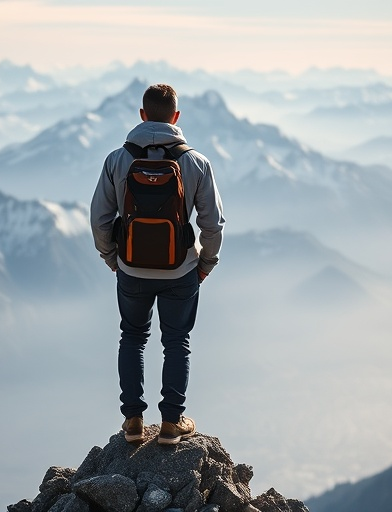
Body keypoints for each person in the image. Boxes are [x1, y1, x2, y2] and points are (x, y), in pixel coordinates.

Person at [90, 84, 225, 445]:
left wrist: (112, 257)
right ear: (176, 117)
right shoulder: (196, 162)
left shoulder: (117, 160)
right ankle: (171, 423)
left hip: (131, 268)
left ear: (142, 115)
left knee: (132, 338)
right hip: (181, 270)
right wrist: (205, 263)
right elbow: (213, 224)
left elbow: (100, 219)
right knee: (176, 342)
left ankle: (133, 422)